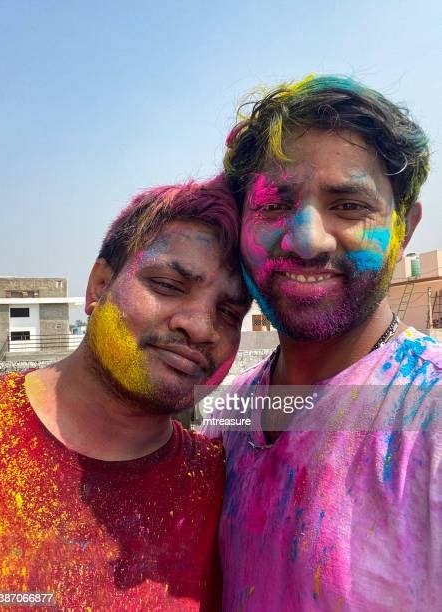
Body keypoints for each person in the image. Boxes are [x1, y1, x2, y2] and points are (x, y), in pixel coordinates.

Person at [207, 76, 441, 610]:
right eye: (273, 205)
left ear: (404, 228)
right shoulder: (232, 418)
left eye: (349, 206)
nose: (307, 240)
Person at [0, 177, 251, 610]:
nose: (200, 327)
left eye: (228, 312)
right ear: (99, 286)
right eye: (167, 285)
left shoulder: (226, 486)